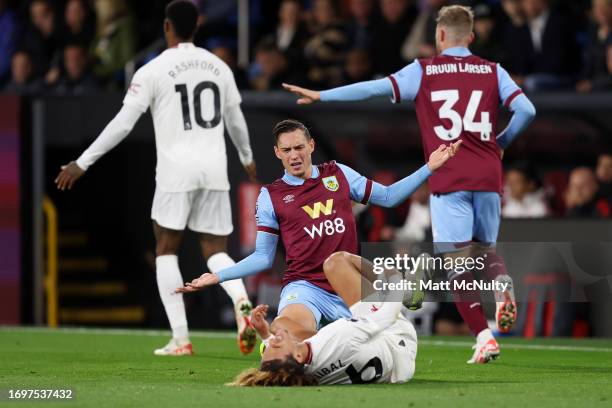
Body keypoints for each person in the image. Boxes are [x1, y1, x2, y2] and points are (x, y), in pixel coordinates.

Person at [283, 5, 536, 363]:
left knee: (458, 265)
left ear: (440, 36)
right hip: (488, 174)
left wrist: (323, 96)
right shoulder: (493, 71)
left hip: (448, 176)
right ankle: (500, 283)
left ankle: (484, 338)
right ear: (472, 37)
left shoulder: (425, 70)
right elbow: (528, 110)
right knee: (486, 255)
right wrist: (501, 144)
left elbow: (374, 88)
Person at [54, 0, 257, 357]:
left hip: (175, 172)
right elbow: (236, 119)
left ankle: (181, 338)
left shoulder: (153, 70)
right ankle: (242, 300)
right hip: (213, 168)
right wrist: (247, 157)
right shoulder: (218, 66)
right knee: (216, 252)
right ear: (196, 27)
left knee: (166, 251)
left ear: (167, 27)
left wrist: (83, 162)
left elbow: (122, 123)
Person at [177, 119, 460, 341]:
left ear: (311, 145)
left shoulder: (338, 174)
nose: (294, 155)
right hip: (305, 287)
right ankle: (394, 288)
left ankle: (396, 288)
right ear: (277, 153)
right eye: (286, 150)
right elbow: (263, 257)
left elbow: (387, 197)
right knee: (285, 330)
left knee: (377, 342)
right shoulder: (271, 195)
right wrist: (218, 276)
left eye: (299, 147)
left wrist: (429, 168)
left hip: (348, 284)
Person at [230, 251, 419, 386]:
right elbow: (386, 317)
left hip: (386, 362)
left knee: (279, 324)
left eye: (269, 347)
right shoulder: (339, 339)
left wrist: (265, 334)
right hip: (397, 338)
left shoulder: (297, 372)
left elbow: (276, 363)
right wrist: (395, 279)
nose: (275, 341)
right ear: (297, 356)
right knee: (335, 263)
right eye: (276, 345)